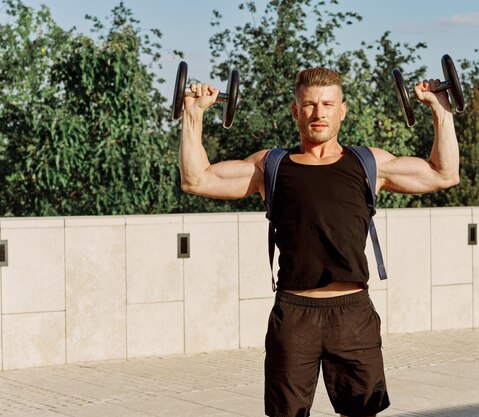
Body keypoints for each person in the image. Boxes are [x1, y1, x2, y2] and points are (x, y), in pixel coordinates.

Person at [179, 67, 459, 417]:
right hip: (294, 315)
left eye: (328, 103)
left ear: (342, 110)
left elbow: (444, 173)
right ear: (296, 111)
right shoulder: (272, 166)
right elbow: (197, 180)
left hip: (353, 313)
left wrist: (440, 109)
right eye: (309, 104)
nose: (319, 112)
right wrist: (193, 114)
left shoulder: (367, 163)